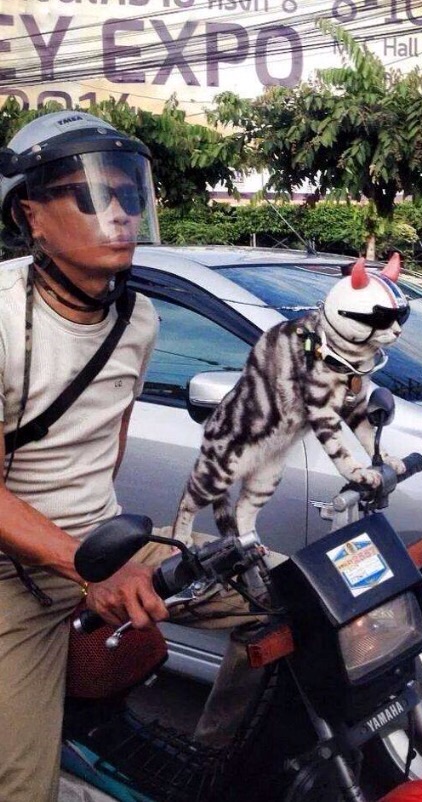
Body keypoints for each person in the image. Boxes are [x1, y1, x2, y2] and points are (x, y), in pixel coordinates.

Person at [0, 111, 258, 802]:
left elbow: (103, 452)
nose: (117, 212)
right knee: (22, 788)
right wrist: (84, 572)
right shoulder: (2, 321)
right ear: (32, 215)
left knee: (288, 601)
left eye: (128, 193)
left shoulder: (136, 319)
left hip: (103, 549)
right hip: (10, 576)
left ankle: (212, 766)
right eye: (89, 194)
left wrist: (112, 554)